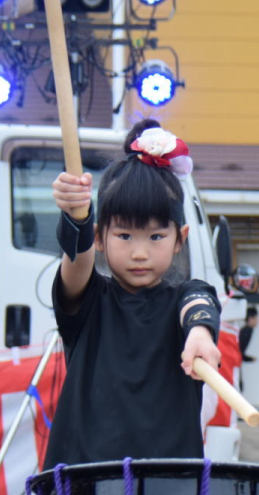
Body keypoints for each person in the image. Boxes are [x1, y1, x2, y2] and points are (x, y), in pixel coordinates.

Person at [42, 119, 221, 470]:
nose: (140, 253)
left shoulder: (187, 296)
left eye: (155, 237)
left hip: (168, 486)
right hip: (85, 485)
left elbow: (199, 304)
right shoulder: (88, 300)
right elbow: (76, 262)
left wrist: (199, 333)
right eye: (124, 236)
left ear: (180, 238)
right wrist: (76, 214)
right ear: (99, 238)